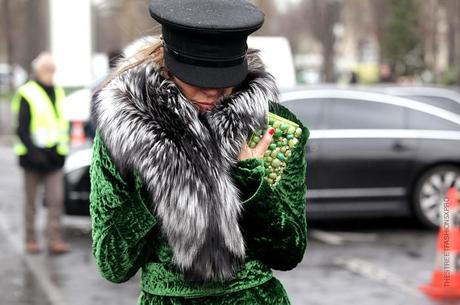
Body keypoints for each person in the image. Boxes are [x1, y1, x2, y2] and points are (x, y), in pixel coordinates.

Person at [90, 0, 309, 304]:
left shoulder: (273, 130)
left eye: (225, 78)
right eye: (198, 77)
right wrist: (161, 176)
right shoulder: (126, 132)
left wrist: (250, 182)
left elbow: (289, 252)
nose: (213, 91)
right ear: (169, 64)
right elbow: (112, 264)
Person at [11, 52, 71, 255]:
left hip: (54, 158)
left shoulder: (59, 92)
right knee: (31, 203)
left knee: (56, 201)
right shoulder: (27, 93)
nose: (50, 74)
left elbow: (62, 124)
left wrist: (60, 152)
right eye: (47, 70)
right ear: (38, 71)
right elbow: (22, 128)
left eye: (52, 70)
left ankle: (54, 240)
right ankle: (30, 240)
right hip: (32, 159)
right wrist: (36, 154)